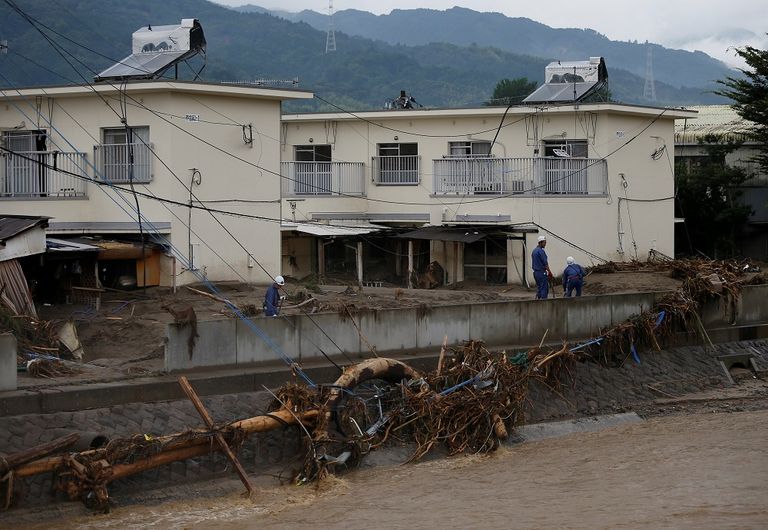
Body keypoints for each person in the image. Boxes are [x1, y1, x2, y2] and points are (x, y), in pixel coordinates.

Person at [531, 235, 553, 299]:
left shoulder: (534, 251)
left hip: (535, 273)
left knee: (539, 287)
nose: (545, 244)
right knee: (544, 288)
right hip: (541, 273)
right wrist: (549, 272)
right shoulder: (541, 251)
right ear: (540, 242)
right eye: (544, 242)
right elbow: (545, 263)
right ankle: (543, 302)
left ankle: (538, 301)